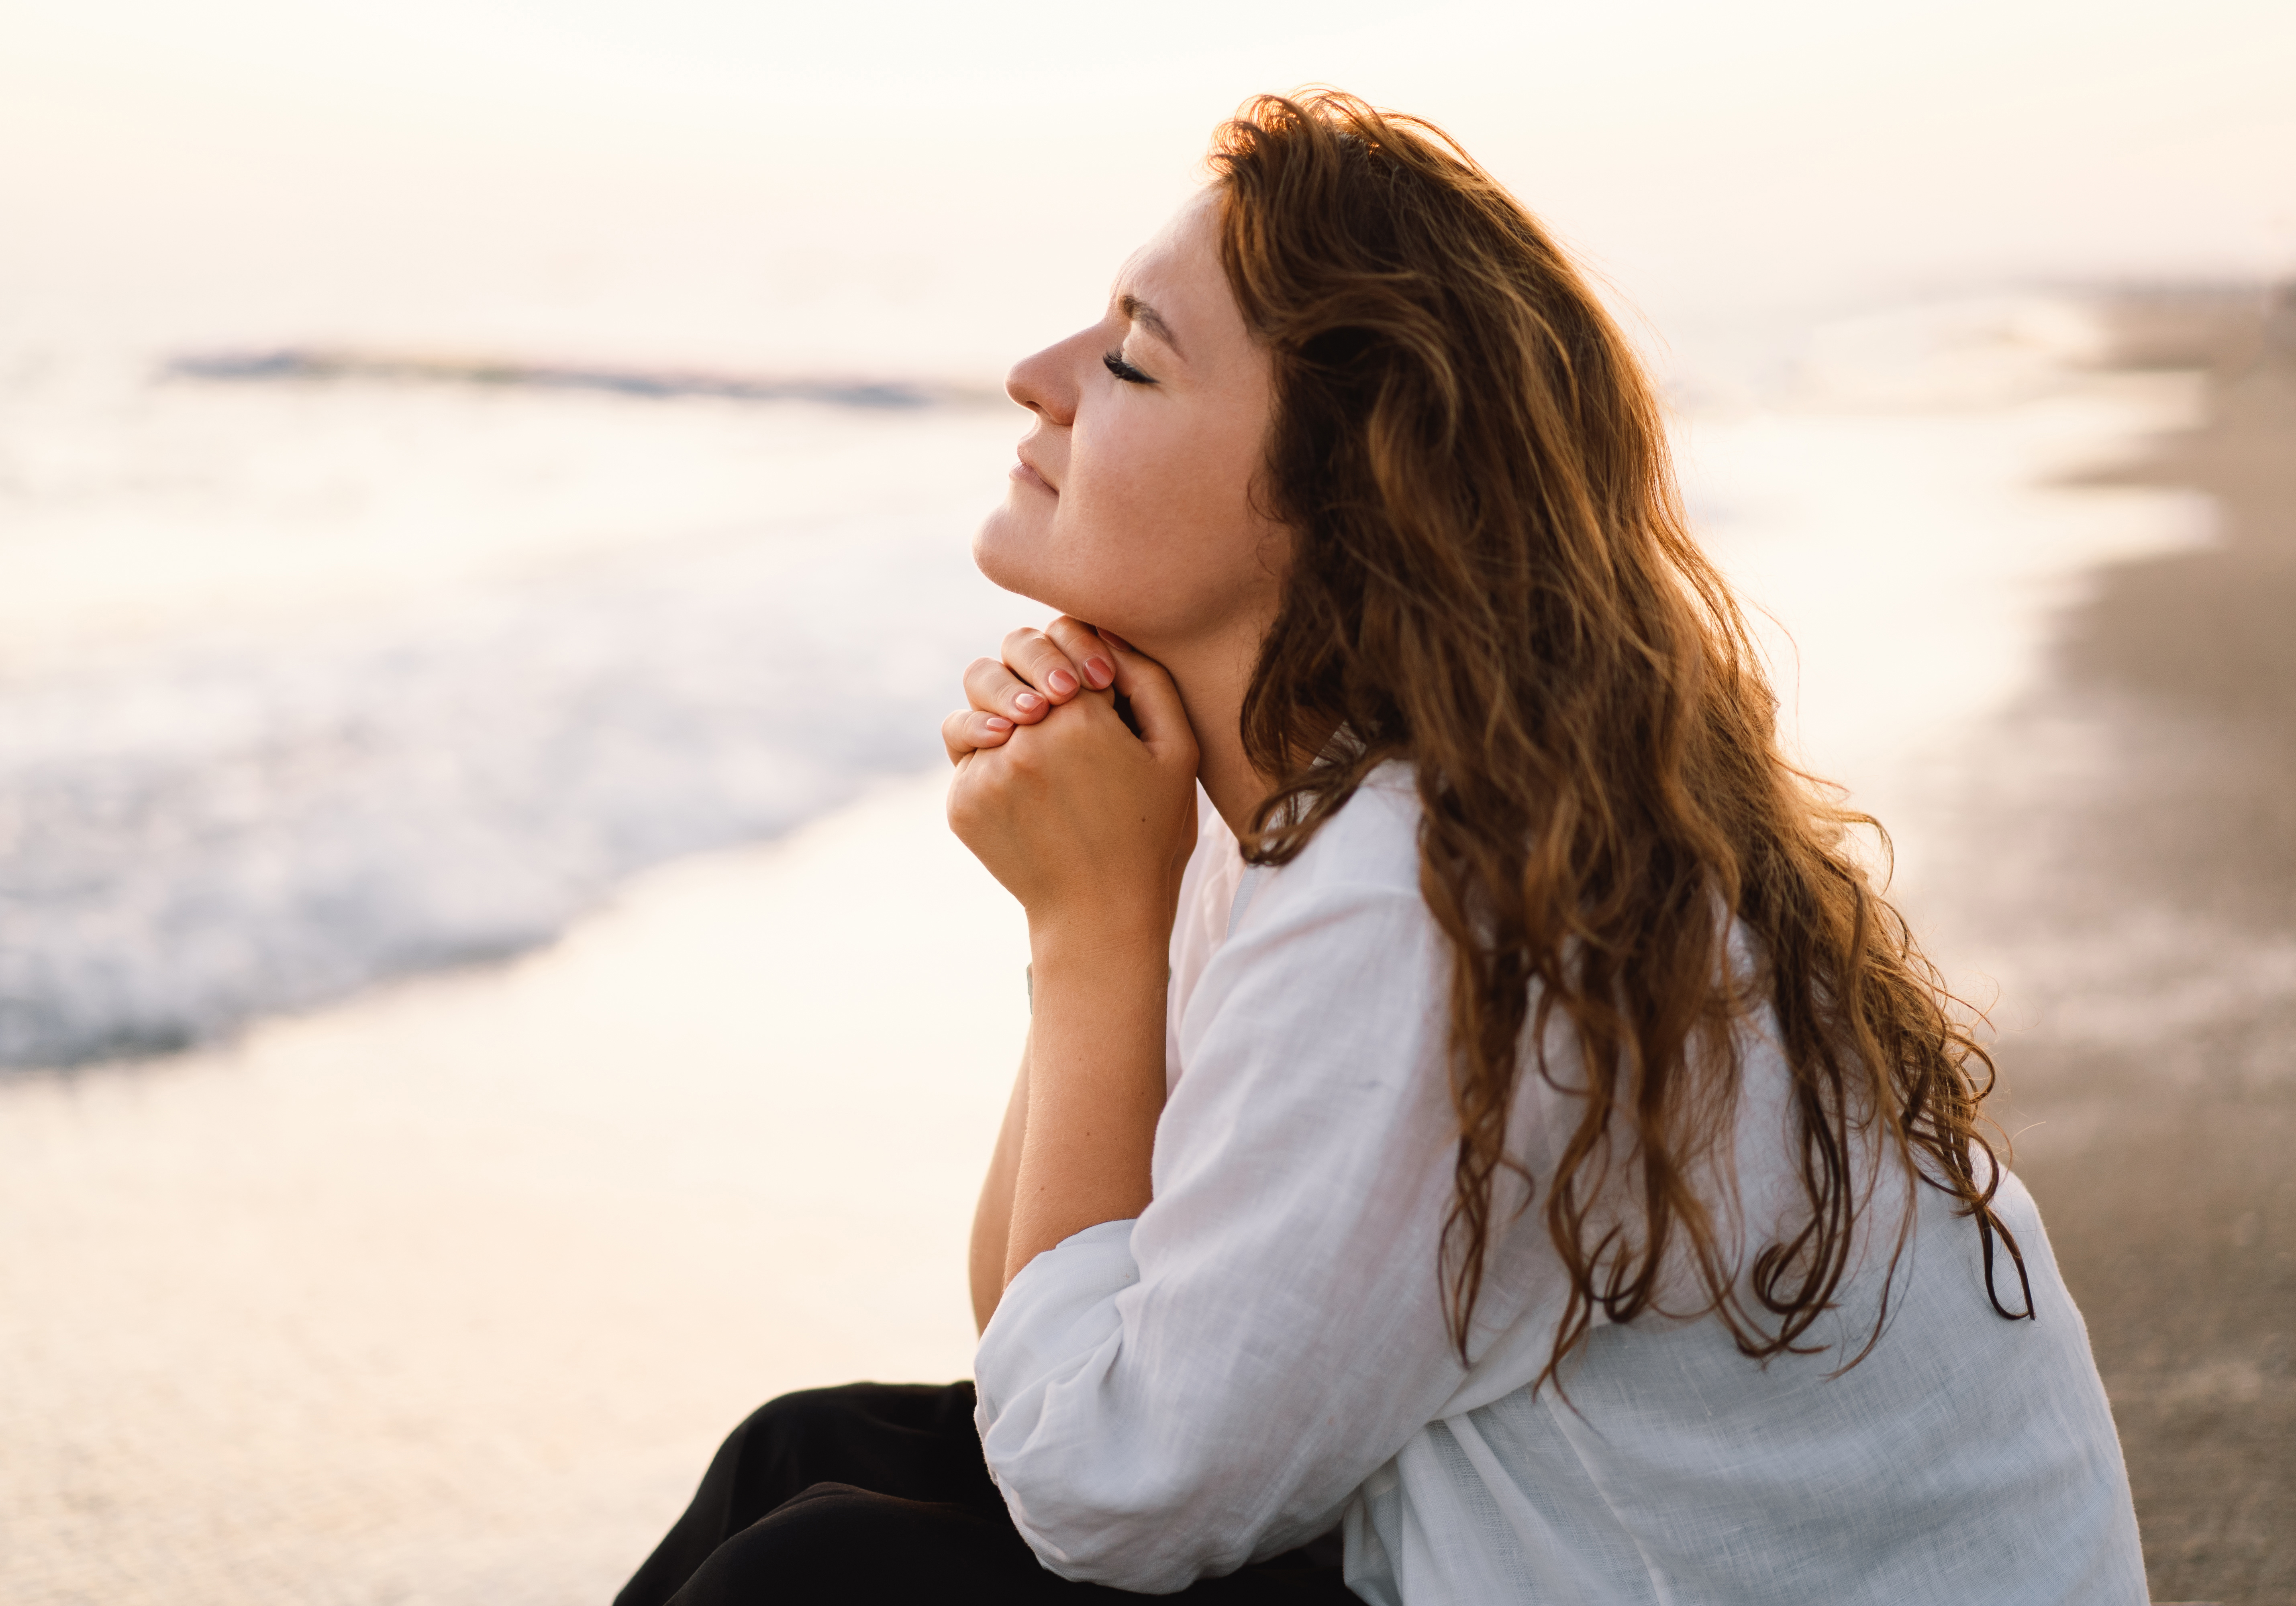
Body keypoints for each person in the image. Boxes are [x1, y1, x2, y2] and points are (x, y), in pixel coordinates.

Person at [615, 90, 2147, 1605]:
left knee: (821, 1576)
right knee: (801, 1457)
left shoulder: (1433, 888)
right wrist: (1113, 899)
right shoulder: (1346, 800)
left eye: (1134, 361)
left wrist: (1086, 931)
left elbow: (1105, 1482)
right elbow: (1045, 1347)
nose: (1038, 377)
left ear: (1345, 505)